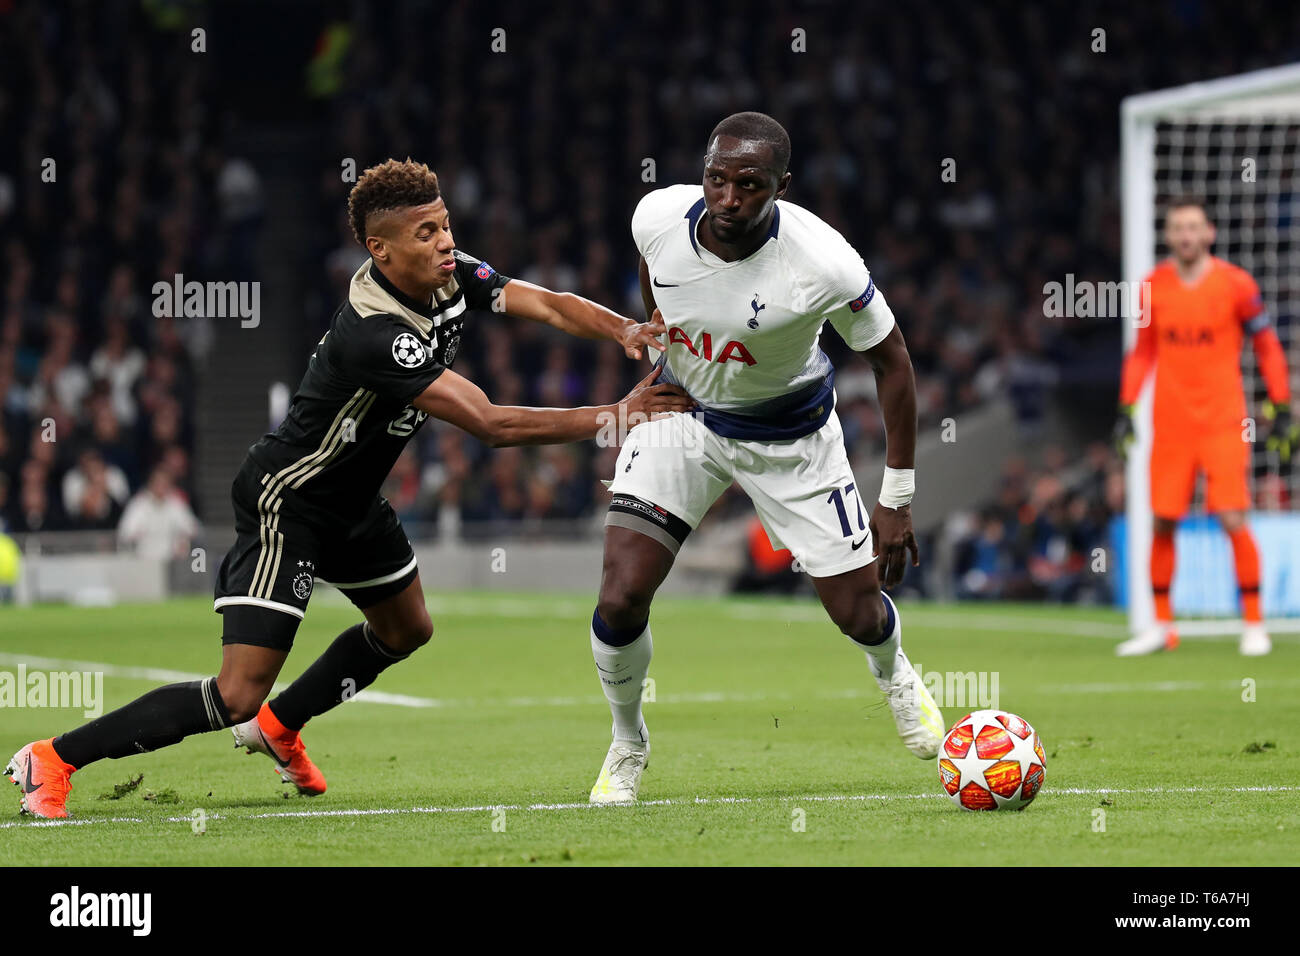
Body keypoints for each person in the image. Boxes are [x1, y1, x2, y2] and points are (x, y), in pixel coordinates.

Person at [7, 158, 691, 819]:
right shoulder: (375, 334)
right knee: (237, 691)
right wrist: (617, 416)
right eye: (426, 233)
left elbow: (540, 299)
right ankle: (55, 757)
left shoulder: (447, 276)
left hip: (353, 502)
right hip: (292, 501)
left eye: (446, 223)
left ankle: (284, 725)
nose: (446, 241)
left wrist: (623, 327)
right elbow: (488, 423)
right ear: (380, 250)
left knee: (406, 627)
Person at [586, 113, 943, 805]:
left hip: (792, 438)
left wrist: (896, 496)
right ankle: (627, 743)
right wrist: (668, 346)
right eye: (716, 179)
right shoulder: (656, 217)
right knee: (620, 594)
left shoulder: (824, 263)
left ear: (782, 185)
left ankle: (894, 672)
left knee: (858, 612)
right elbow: (653, 274)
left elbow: (892, 363)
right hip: (683, 414)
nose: (727, 197)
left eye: (748, 185)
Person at [1114, 197, 1296, 657]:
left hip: (1223, 420)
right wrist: (1127, 407)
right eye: (1178, 228)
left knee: (1234, 516)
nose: (1187, 235)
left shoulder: (1236, 285)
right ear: (1170, 235)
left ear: (1209, 232)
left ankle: (1254, 624)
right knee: (1163, 521)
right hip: (1171, 423)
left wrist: (1282, 403)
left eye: (1194, 227)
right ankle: (1161, 627)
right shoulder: (1153, 287)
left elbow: (1267, 345)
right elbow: (1143, 352)